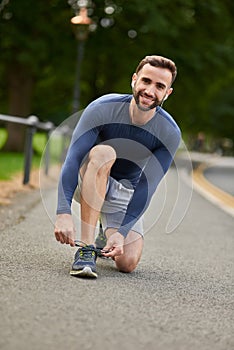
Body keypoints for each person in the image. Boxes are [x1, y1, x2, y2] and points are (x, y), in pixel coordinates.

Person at [54, 55, 181, 278]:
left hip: (124, 190)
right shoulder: (103, 108)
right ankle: (86, 248)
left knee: (127, 263)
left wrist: (121, 232)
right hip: (88, 178)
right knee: (105, 152)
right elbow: (73, 159)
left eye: (160, 86)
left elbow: (146, 186)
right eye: (146, 81)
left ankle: (107, 230)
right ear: (134, 80)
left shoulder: (169, 132)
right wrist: (63, 211)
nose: (150, 91)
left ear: (167, 93)